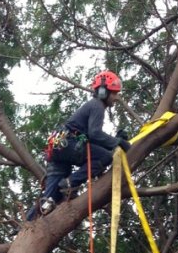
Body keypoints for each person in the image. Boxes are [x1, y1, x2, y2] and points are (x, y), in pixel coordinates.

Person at [29, 71, 131, 219]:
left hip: (59, 148)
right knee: (105, 157)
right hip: (69, 144)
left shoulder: (92, 105)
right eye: (114, 93)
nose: (116, 97)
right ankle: (70, 183)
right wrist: (118, 142)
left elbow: (92, 139)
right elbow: (95, 134)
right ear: (103, 91)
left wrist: (114, 141)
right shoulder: (97, 105)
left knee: (50, 197)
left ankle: (27, 224)